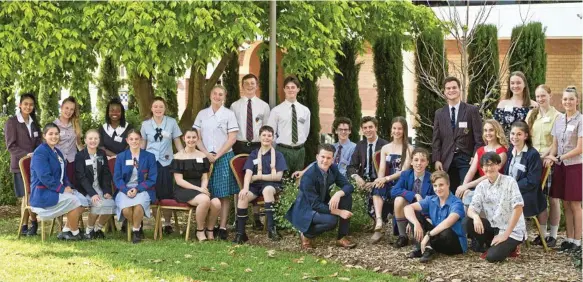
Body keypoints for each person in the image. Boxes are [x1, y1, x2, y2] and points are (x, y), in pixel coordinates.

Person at [286, 144, 356, 249]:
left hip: (321, 202)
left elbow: (349, 186)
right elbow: (315, 204)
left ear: (333, 159)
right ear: (317, 157)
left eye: (328, 158)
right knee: (331, 221)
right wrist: (340, 212)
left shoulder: (333, 169)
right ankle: (306, 234)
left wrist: (338, 193)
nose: (325, 160)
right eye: (322, 157)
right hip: (306, 209)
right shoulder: (308, 176)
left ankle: (342, 237)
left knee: (346, 197)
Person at [193, 85, 239, 240]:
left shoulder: (229, 114)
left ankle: (223, 226)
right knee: (207, 191)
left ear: (224, 97)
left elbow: (232, 138)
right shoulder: (202, 114)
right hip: (204, 156)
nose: (217, 97)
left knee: (224, 194)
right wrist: (206, 153)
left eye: (220, 94)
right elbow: (196, 136)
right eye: (215, 94)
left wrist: (217, 155)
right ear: (210, 95)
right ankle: (205, 226)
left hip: (224, 156)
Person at [465, 152, 526, 262]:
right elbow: (471, 209)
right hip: (493, 227)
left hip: (511, 230)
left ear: (498, 165)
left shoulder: (509, 182)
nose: (489, 168)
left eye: (492, 164)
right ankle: (492, 244)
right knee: (467, 222)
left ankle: (511, 246)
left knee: (492, 257)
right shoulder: (481, 186)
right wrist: (475, 217)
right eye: (486, 165)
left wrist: (505, 235)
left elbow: (518, 208)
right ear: (482, 168)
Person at [29, 123, 87, 241]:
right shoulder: (40, 152)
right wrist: (62, 189)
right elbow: (45, 177)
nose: (54, 136)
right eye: (51, 134)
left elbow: (63, 175)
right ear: (44, 136)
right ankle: (75, 233)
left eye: (56, 134)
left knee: (83, 201)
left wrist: (68, 186)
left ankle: (66, 231)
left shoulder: (57, 152)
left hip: (58, 189)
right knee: (74, 201)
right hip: (44, 193)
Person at [230, 73, 271, 229]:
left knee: (256, 178)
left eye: (252, 83)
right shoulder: (234, 106)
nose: (249, 85)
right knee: (239, 179)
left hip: (256, 145)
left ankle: (256, 218)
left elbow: (267, 129)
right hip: (240, 144)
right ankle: (238, 216)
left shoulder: (264, 106)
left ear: (257, 85)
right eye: (246, 83)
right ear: (242, 85)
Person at [234, 125, 287, 244]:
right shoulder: (254, 154)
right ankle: (240, 234)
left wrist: (259, 176)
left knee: (267, 190)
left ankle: (271, 229)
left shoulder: (278, 155)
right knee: (243, 197)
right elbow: (248, 173)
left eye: (269, 135)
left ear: (273, 138)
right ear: (259, 137)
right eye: (264, 135)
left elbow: (278, 176)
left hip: (272, 184)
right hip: (255, 186)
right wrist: (245, 188)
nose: (266, 138)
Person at [544, 86, 582, 252]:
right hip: (560, 166)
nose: (568, 102)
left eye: (571, 99)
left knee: (575, 205)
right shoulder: (559, 120)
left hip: (575, 166)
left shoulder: (581, 120)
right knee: (565, 203)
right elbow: (555, 144)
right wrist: (550, 157)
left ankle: (578, 242)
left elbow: (580, 148)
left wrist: (560, 157)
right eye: (565, 99)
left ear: (577, 101)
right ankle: (568, 239)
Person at [432, 76, 484, 192]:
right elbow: (436, 139)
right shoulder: (439, 113)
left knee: (465, 191)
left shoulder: (471, 110)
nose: (451, 90)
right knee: (448, 191)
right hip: (446, 160)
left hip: (466, 159)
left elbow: (479, 138)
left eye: (454, 87)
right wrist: (437, 160)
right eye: (448, 88)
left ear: (459, 89)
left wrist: (475, 157)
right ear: (444, 92)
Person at [141, 97, 183, 234]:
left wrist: (182, 157)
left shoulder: (171, 122)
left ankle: (167, 223)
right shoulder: (145, 124)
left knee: (166, 193)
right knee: (154, 193)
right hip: (151, 163)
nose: (158, 109)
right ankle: (157, 222)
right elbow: (143, 145)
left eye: (161, 106)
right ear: (151, 108)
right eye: (155, 106)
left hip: (167, 163)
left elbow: (177, 141)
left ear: (165, 108)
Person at [404, 171, 466, 263]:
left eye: (441, 185)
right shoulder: (431, 199)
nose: (438, 189)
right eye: (435, 186)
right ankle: (427, 249)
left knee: (446, 231)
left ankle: (426, 247)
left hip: (454, 243)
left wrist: (428, 235)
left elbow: (448, 222)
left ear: (448, 184)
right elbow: (407, 208)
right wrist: (415, 223)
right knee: (415, 215)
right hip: (437, 236)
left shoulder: (456, 203)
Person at [526, 85, 561, 247]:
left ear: (550, 95)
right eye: (537, 96)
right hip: (534, 162)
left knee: (552, 199)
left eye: (543, 96)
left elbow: (556, 142)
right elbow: (526, 137)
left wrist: (546, 156)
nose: (540, 99)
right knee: (539, 198)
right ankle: (542, 234)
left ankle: (553, 235)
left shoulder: (557, 117)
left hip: (549, 161)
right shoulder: (532, 114)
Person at [171, 128, 221, 241]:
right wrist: (199, 189)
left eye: (194, 137)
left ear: (197, 139)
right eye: (188, 137)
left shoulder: (202, 156)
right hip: (183, 189)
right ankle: (199, 230)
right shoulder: (177, 157)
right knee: (205, 200)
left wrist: (203, 187)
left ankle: (210, 230)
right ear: (184, 139)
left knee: (217, 203)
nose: (191, 140)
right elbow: (179, 181)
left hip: (200, 188)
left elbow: (204, 177)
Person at [370, 116, 412, 243]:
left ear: (404, 130)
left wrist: (386, 179)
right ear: (391, 130)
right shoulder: (385, 148)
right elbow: (382, 169)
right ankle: (379, 221)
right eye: (394, 128)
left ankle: (400, 231)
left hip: (402, 182)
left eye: (400, 128)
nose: (397, 131)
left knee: (386, 185)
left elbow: (404, 171)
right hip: (388, 180)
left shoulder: (409, 148)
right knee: (377, 187)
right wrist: (380, 179)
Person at [5, 93, 42, 236]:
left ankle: (24, 226)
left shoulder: (34, 122)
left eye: (31, 104)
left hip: (34, 164)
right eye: (25, 104)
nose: (28, 107)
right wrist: (27, 155)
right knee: (27, 195)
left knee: (28, 195)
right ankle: (34, 222)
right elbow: (11, 146)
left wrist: (39, 154)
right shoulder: (12, 122)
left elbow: (38, 142)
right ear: (20, 105)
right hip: (20, 164)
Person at [114, 129, 157, 243]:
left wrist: (137, 189)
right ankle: (137, 224)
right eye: (131, 139)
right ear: (127, 141)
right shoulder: (121, 157)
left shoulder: (149, 156)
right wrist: (126, 190)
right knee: (126, 210)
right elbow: (117, 178)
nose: (134, 141)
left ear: (141, 140)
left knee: (138, 206)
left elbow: (152, 179)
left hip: (143, 188)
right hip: (124, 189)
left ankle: (136, 231)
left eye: (137, 139)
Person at [74, 129, 116, 239]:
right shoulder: (80, 156)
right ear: (85, 140)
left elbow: (106, 173)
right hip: (86, 189)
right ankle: (89, 230)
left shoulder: (102, 153)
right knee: (98, 203)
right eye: (90, 138)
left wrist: (107, 191)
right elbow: (81, 177)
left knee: (112, 204)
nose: (93, 141)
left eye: (96, 138)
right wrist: (92, 194)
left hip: (100, 188)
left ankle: (98, 229)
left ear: (99, 140)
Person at [504, 121, 545, 235]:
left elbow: (532, 181)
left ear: (525, 136)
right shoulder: (510, 151)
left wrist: (511, 188)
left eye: (519, 134)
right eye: (513, 134)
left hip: (527, 194)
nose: (515, 137)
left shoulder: (532, 154)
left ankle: (512, 237)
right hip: (509, 191)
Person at [455, 119, 508, 206]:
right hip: (482, 185)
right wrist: (463, 187)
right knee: (465, 194)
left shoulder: (502, 152)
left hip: (496, 186)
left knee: (469, 196)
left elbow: (489, 175)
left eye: (491, 130)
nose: (488, 133)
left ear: (497, 131)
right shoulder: (480, 150)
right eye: (485, 130)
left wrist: (467, 186)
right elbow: (471, 171)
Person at [390, 147, 435, 248]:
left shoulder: (432, 178)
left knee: (419, 243)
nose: (419, 163)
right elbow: (393, 191)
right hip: (406, 211)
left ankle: (419, 231)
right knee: (398, 199)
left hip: (423, 213)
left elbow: (434, 200)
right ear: (411, 162)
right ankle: (403, 236)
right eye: (416, 160)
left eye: (422, 160)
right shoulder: (405, 175)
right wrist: (414, 195)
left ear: (427, 162)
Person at [268, 75, 310, 174]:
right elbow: (271, 132)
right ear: (284, 89)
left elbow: (306, 131)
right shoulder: (276, 111)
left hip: (300, 151)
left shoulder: (305, 110)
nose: (290, 90)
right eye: (287, 87)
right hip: (283, 150)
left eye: (293, 87)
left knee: (297, 180)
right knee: (282, 181)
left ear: (298, 89)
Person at [347, 116, 389, 191]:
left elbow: (389, 170)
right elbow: (351, 166)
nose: (368, 130)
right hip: (362, 182)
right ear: (362, 130)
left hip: (380, 182)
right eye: (365, 128)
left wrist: (375, 182)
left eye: (370, 127)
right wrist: (356, 177)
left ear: (376, 128)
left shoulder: (385, 145)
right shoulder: (360, 145)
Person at [494, 71, 538, 138]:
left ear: (525, 84)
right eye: (512, 83)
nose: (515, 86)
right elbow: (496, 128)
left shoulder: (533, 105)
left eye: (518, 83)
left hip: (527, 145)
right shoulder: (502, 105)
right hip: (506, 145)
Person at [54, 97, 84, 187]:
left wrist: (87, 156)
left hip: (72, 162)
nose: (69, 111)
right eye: (66, 108)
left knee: (73, 188)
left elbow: (78, 143)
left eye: (72, 109)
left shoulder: (75, 124)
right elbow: (49, 145)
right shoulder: (54, 125)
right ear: (61, 107)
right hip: (58, 163)